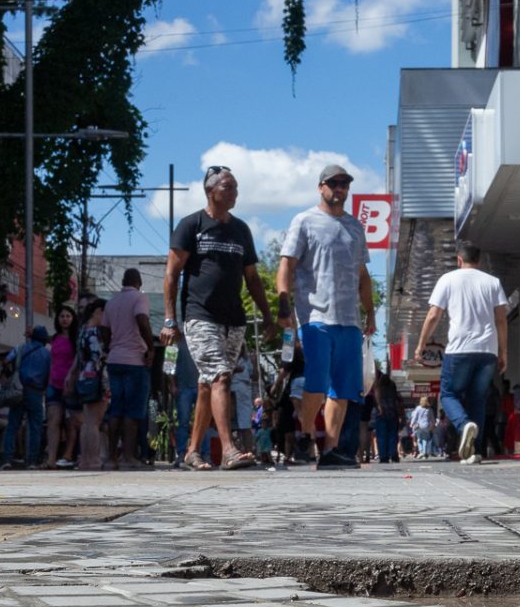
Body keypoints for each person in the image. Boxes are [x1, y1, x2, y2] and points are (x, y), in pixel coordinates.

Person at [162, 165, 283, 471]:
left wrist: (268, 316)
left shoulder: (241, 229)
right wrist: (169, 319)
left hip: (234, 320)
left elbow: (252, 278)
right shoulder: (191, 225)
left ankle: (192, 451)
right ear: (210, 191)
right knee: (221, 377)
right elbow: (172, 274)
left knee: (208, 383)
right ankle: (229, 450)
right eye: (228, 187)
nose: (234, 193)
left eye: (236, 187)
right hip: (199, 315)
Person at [279, 164, 373, 470]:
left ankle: (330, 449)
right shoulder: (304, 221)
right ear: (321, 187)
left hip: (349, 319)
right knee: (316, 382)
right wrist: (283, 304)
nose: (339, 188)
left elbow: (363, 274)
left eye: (344, 183)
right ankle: (306, 435)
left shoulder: (355, 227)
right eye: (333, 183)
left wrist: (370, 312)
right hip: (315, 315)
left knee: (342, 388)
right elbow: (286, 265)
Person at [415, 244, 508, 466]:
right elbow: (501, 319)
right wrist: (503, 351)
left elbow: (433, 315)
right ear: (479, 261)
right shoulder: (493, 282)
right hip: (487, 350)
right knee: (478, 399)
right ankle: (474, 452)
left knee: (448, 394)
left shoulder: (448, 279)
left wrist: (421, 345)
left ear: (459, 260)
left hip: (459, 348)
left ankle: (464, 424)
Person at [103, 268, 154, 469]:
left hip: (114, 360)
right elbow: (142, 320)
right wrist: (150, 347)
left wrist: (110, 346)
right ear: (139, 283)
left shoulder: (111, 302)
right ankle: (128, 456)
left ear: (123, 282)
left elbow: (104, 329)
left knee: (116, 409)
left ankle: (111, 458)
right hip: (134, 361)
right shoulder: (140, 298)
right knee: (132, 411)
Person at [1, 326, 50, 469]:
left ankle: (7, 460)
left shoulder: (20, 348)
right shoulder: (47, 355)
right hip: (36, 392)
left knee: (12, 425)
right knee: (35, 427)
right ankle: (32, 461)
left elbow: (6, 361)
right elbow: (49, 375)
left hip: (18, 390)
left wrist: (13, 373)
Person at [74, 299, 112, 470]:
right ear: (99, 312)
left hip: (84, 376)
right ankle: (94, 459)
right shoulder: (96, 333)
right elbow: (99, 355)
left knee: (87, 421)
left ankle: (85, 459)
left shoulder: (83, 331)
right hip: (97, 377)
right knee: (95, 422)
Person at [43, 305, 81, 469]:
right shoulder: (54, 339)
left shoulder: (77, 339)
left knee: (73, 422)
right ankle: (51, 459)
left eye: (68, 316)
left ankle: (71, 455)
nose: (65, 319)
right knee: (53, 420)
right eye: (62, 316)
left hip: (72, 385)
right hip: (54, 384)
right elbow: (52, 361)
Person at [370, 371, 402, 464]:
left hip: (381, 415)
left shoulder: (378, 391)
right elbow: (399, 404)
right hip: (393, 414)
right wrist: (401, 416)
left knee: (381, 436)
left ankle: (383, 456)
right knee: (393, 435)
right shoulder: (393, 391)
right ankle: (393, 454)